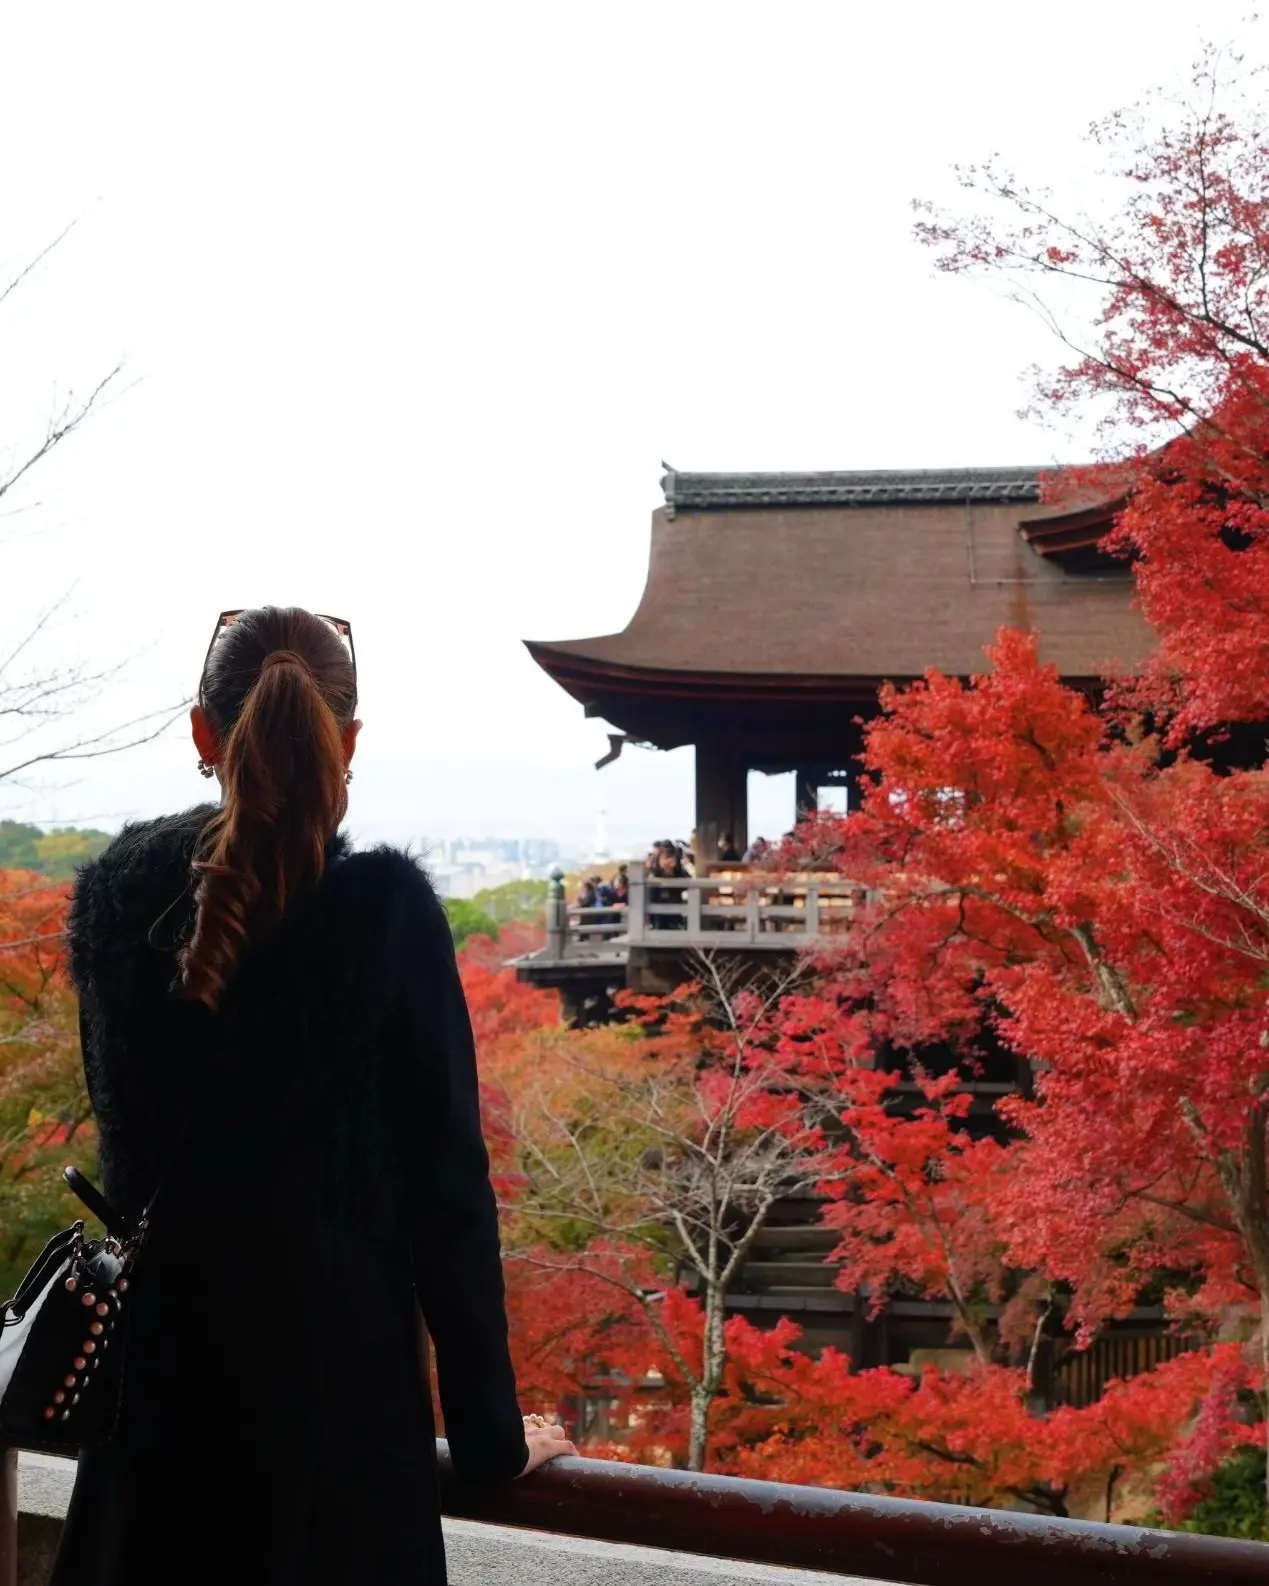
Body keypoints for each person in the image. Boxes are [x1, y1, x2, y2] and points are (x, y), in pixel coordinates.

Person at [51, 608, 573, 1586]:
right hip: (338, 1436)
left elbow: (130, 1146)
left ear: (203, 734)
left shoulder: (120, 898)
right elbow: (450, 1208)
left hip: (158, 1423)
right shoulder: (385, 916)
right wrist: (495, 1439)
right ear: (351, 742)